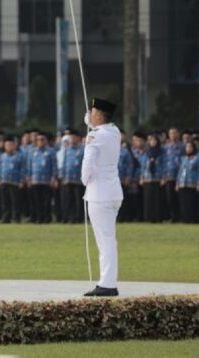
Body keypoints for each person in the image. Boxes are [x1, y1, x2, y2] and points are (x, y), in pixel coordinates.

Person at [81, 98, 123, 297]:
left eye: (93, 111)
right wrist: (91, 125)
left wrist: (84, 180)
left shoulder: (95, 136)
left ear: (99, 115)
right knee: (108, 239)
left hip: (99, 194)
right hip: (113, 192)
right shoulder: (114, 132)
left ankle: (107, 283)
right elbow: (93, 124)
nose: (90, 113)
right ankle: (107, 280)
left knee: (104, 241)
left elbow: (87, 166)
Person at [26, 132, 57, 224]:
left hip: (46, 180)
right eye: (38, 140)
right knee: (36, 201)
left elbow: (54, 166)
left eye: (42, 139)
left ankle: (47, 218)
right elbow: (29, 166)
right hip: (35, 180)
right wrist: (28, 177)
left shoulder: (51, 152)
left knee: (46, 201)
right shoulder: (32, 152)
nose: (40, 141)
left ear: (46, 141)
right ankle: (38, 218)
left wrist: (53, 178)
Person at [0, 136, 24, 223]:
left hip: (15, 182)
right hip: (4, 181)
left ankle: (16, 217)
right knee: (5, 201)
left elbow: (23, 169)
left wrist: (21, 180)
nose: (8, 147)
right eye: (7, 145)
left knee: (15, 201)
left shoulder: (20, 156)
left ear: (14, 145)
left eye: (10, 145)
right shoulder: (2, 156)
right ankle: (6, 218)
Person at [140, 133, 165, 223]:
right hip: (147, 178)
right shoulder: (146, 153)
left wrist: (163, 177)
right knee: (148, 199)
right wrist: (141, 177)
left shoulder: (161, 152)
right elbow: (143, 165)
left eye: (154, 140)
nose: (152, 142)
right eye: (151, 140)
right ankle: (148, 217)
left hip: (158, 178)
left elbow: (164, 165)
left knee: (157, 199)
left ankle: (157, 217)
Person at [61, 131, 84, 223]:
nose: (72, 140)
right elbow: (64, 163)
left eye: (74, 137)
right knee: (69, 199)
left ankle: (79, 217)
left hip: (79, 179)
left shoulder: (83, 150)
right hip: (68, 178)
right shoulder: (67, 150)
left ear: (78, 138)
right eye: (71, 138)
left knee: (78, 199)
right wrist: (63, 176)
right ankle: (70, 217)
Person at [163, 127, 184, 222]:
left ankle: (181, 216)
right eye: (171, 133)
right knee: (170, 198)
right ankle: (173, 216)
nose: (173, 135)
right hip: (169, 176)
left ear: (178, 134)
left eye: (175, 133)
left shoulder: (183, 146)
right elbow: (163, 162)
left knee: (180, 198)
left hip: (180, 176)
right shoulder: (166, 147)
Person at [176, 142, 199, 223]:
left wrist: (198, 182)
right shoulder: (183, 159)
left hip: (192, 183)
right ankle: (185, 219)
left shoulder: (197, 158)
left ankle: (193, 219)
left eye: (190, 147)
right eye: (187, 147)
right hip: (183, 183)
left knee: (191, 202)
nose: (188, 149)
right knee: (183, 202)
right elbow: (180, 171)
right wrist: (177, 183)